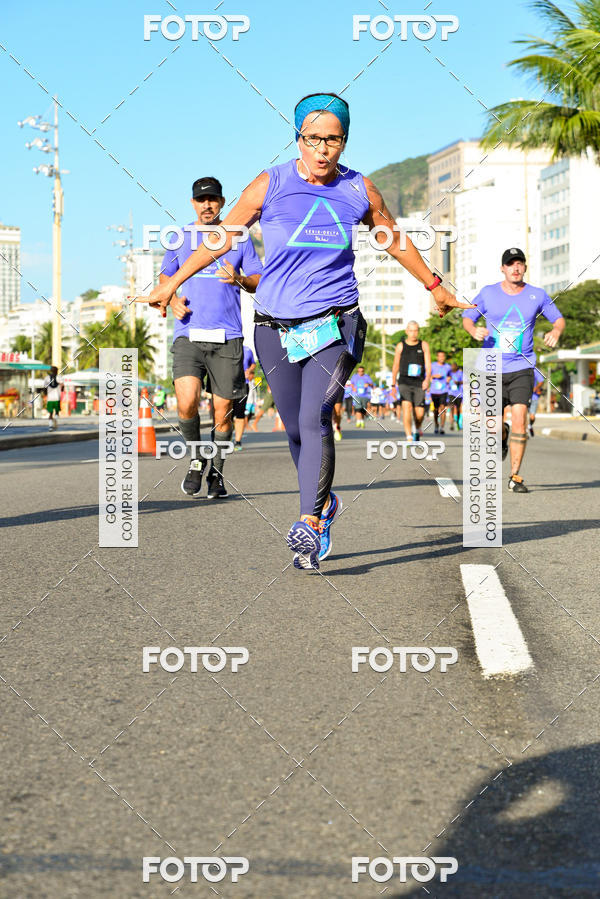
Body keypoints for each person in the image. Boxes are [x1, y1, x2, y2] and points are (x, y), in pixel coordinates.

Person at [140, 92, 471, 567]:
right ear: (298, 140)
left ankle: (309, 522)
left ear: (344, 143)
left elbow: (393, 239)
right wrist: (172, 280)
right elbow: (222, 239)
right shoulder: (269, 184)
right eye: (313, 139)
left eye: (333, 140)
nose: (322, 149)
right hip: (273, 325)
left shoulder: (360, 190)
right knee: (294, 425)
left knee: (316, 414)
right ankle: (325, 502)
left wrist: (434, 285)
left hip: (335, 321)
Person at [159, 176, 262, 498]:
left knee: (223, 414)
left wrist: (240, 278)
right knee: (186, 402)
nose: (207, 205)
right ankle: (196, 456)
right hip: (188, 333)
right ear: (193, 203)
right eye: (201, 200)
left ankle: (216, 472)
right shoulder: (179, 237)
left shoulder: (239, 238)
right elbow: (166, 275)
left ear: (221, 202)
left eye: (213, 199)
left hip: (228, 336)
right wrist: (172, 297)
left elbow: (259, 280)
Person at [463, 247, 564, 493]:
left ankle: (515, 477)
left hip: (522, 367)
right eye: (511, 264)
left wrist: (556, 331)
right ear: (503, 268)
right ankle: (503, 435)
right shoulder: (488, 293)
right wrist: (473, 330)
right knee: (493, 427)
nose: (515, 268)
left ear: (525, 268)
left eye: (519, 263)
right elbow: (468, 316)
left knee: (520, 419)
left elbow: (558, 319)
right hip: (491, 367)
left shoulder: (537, 295)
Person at [391, 320, 431, 442]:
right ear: (406, 331)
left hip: (419, 382)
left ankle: (417, 428)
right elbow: (395, 365)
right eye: (411, 331)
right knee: (406, 406)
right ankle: (409, 436)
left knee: (419, 413)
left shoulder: (424, 345)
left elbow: (428, 365)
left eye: (416, 331)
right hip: (404, 381)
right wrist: (393, 384)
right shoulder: (400, 346)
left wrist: (427, 379)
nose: (413, 333)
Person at [233, 344, 256, 450]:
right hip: (226, 384)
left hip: (243, 384)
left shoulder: (247, 350)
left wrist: (249, 370)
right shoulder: (225, 346)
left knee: (240, 413)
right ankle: (224, 439)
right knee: (226, 413)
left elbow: (253, 364)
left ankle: (238, 441)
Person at [430, 350, 451, 435]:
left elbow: (450, 375)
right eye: (440, 356)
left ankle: (442, 427)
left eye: (443, 356)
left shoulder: (447, 367)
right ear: (437, 357)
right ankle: (436, 425)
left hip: (444, 390)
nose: (442, 358)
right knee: (436, 410)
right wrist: (434, 376)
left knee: (443, 408)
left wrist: (448, 379)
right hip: (434, 391)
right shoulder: (432, 365)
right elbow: (427, 376)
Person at [43, 366, 62, 430]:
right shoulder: (59, 377)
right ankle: (55, 421)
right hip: (57, 398)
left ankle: (50, 426)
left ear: (51, 371)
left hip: (50, 398)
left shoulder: (47, 378)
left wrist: (46, 395)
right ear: (56, 371)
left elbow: (44, 388)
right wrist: (61, 389)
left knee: (50, 413)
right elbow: (62, 386)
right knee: (57, 412)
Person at [447, 361, 463, 431]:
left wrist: (458, 382)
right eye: (451, 366)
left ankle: (457, 422)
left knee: (458, 409)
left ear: (456, 367)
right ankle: (451, 424)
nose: (452, 367)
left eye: (454, 366)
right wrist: (448, 380)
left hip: (459, 394)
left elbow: (464, 381)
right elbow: (445, 380)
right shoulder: (449, 373)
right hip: (451, 393)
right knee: (451, 408)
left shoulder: (460, 373)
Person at [529, 368, 544, 437]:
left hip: (533, 397)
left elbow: (541, 381)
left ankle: (530, 426)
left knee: (532, 417)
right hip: (522, 396)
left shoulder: (534, 370)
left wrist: (536, 388)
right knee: (522, 414)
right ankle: (525, 430)